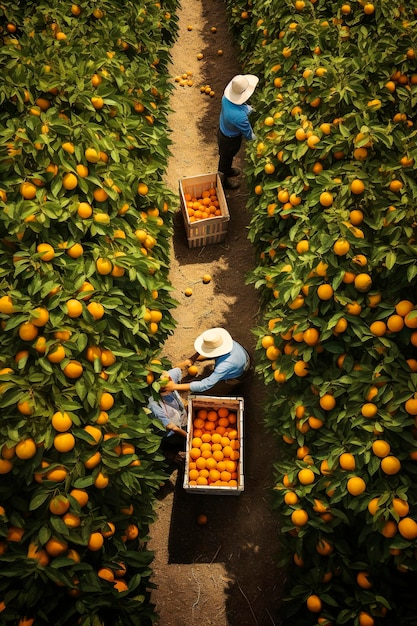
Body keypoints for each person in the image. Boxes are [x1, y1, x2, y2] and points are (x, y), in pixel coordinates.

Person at [161, 328, 251, 396]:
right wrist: (191, 359)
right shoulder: (223, 341)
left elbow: (205, 385)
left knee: (214, 392)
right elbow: (207, 347)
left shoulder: (224, 366)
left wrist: (174, 387)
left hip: (239, 372)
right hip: (242, 356)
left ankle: (232, 388)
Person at [217, 74, 259, 190]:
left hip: (222, 131)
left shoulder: (226, 98)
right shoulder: (239, 118)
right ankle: (223, 182)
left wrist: (250, 109)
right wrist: (259, 141)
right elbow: (249, 135)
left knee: (227, 157)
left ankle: (228, 170)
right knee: (225, 159)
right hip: (230, 140)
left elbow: (241, 107)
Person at [147, 365, 188, 450]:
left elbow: (179, 369)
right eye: (165, 390)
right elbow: (172, 427)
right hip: (173, 433)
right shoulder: (154, 405)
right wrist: (189, 437)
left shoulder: (166, 377)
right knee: (181, 443)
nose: (171, 389)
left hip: (181, 419)